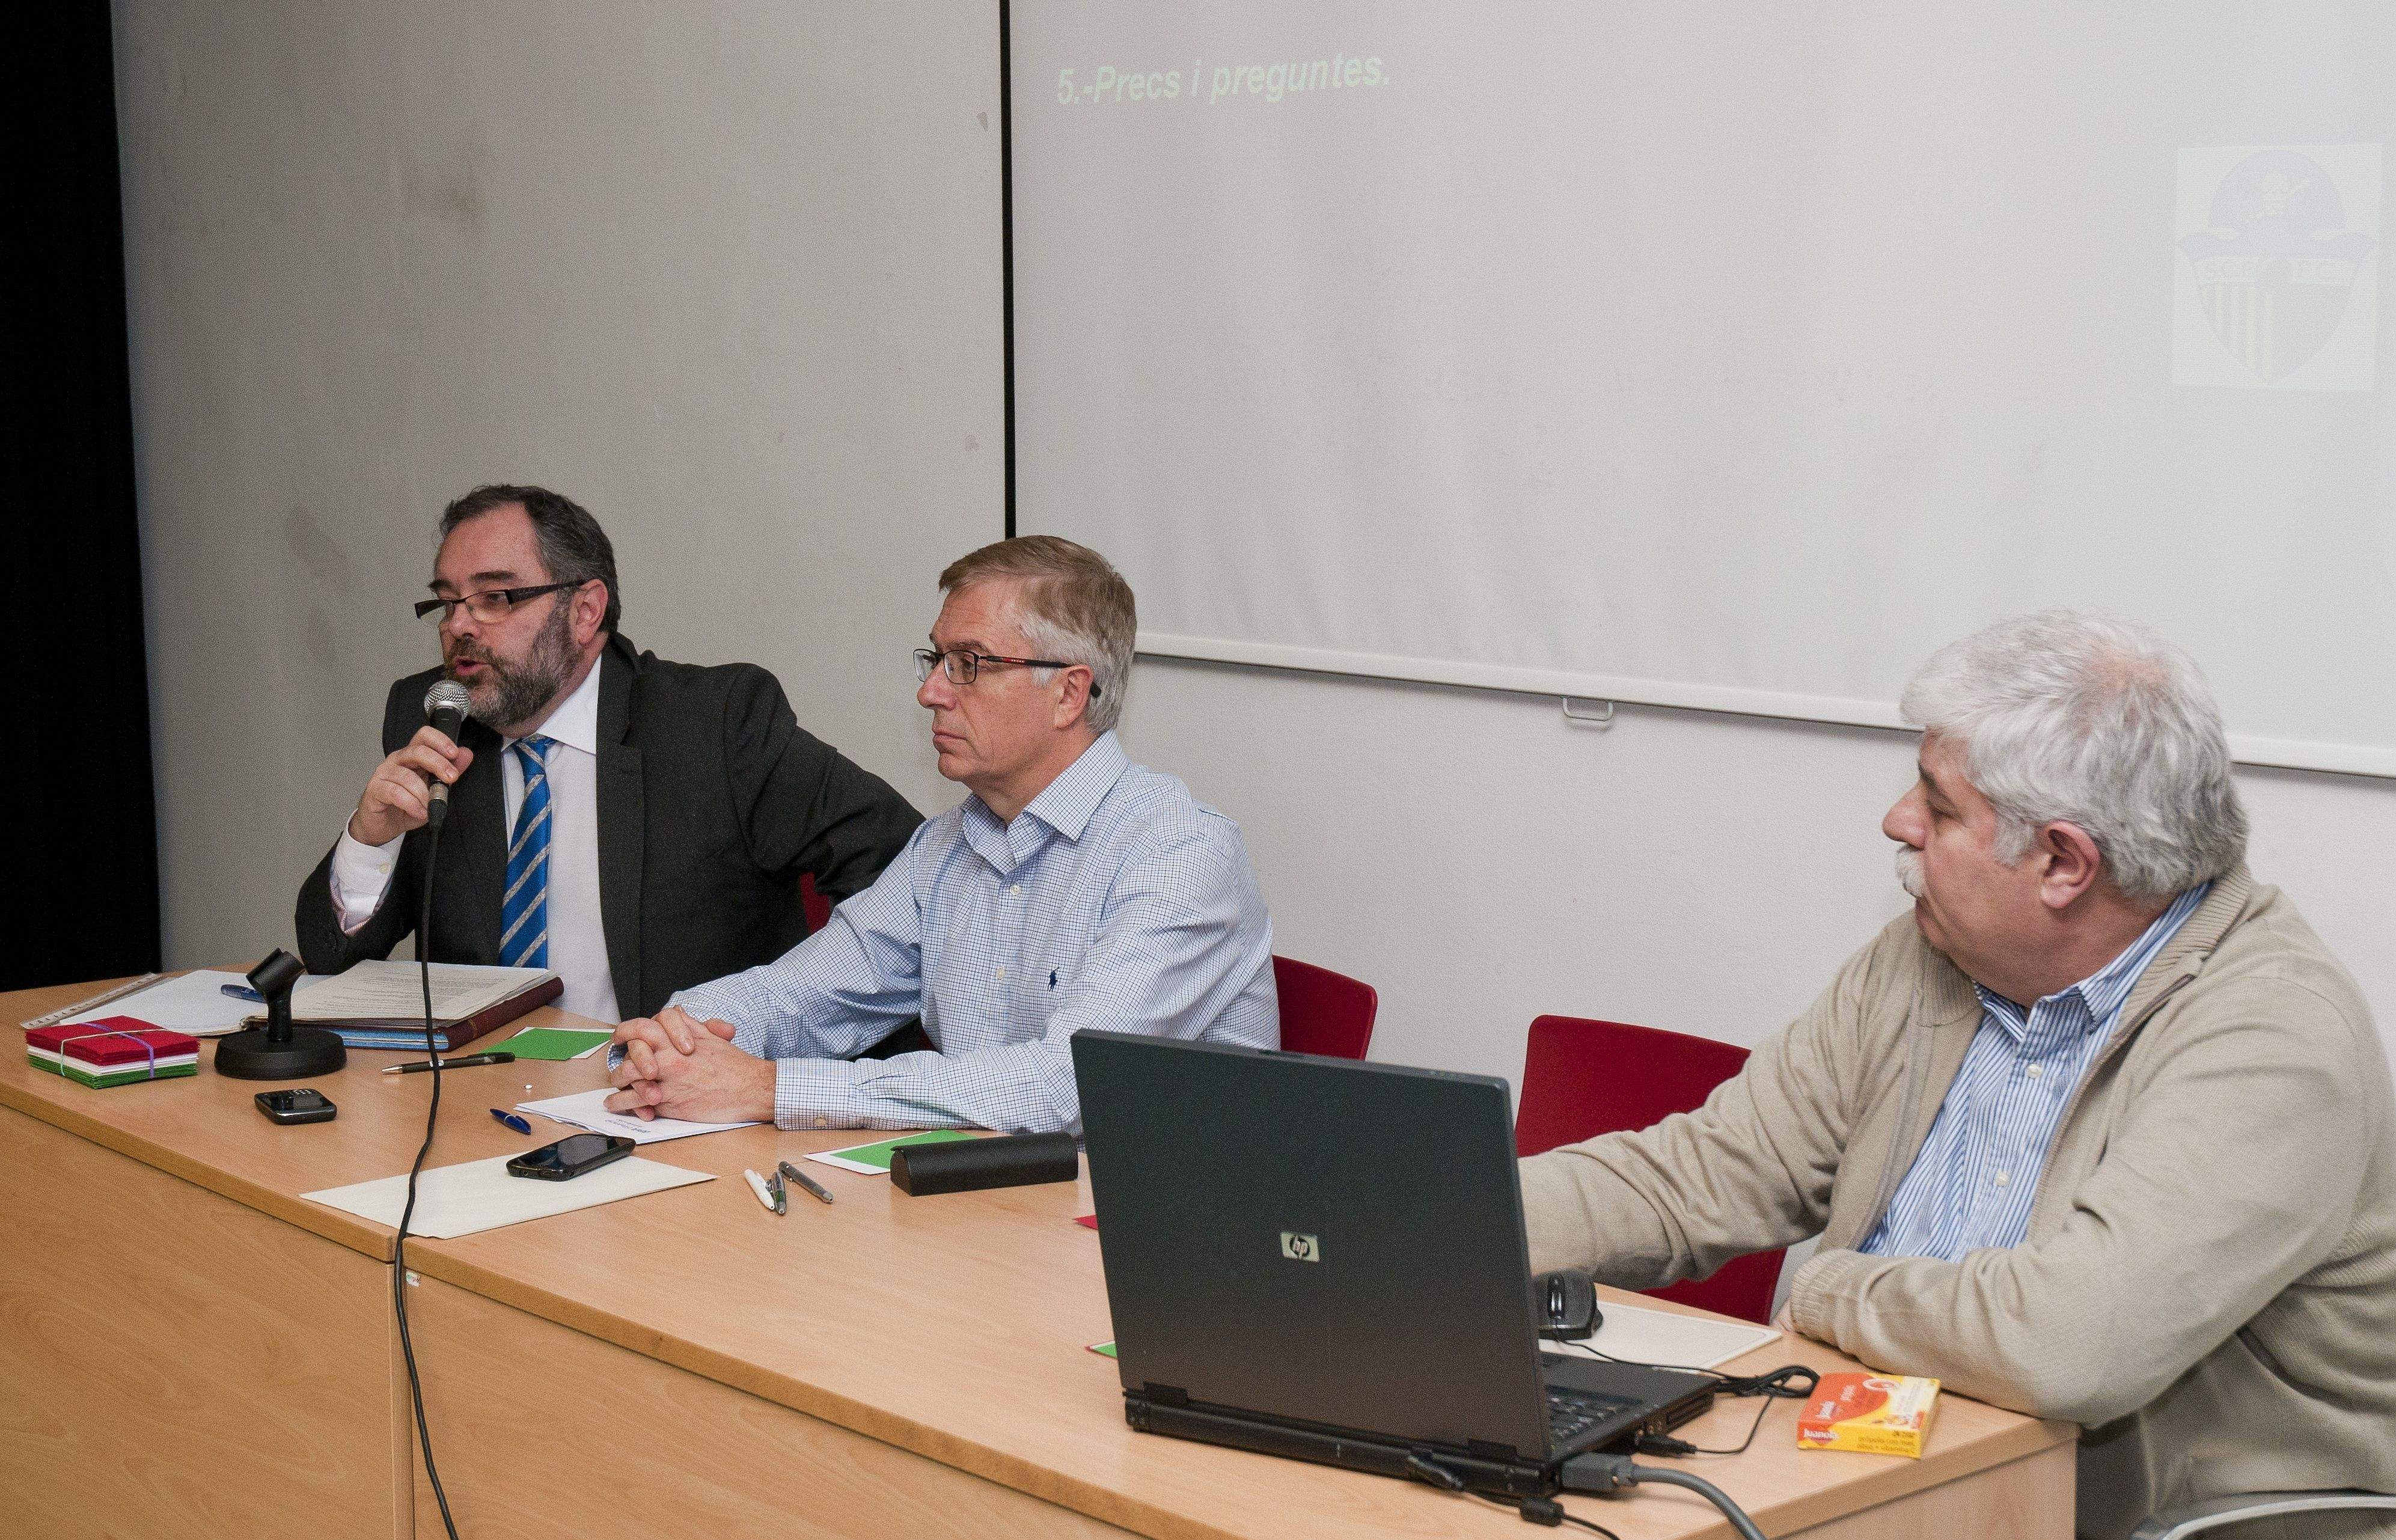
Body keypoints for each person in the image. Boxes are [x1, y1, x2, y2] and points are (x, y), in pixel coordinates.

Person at [1519, 612, 2396, 1540]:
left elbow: (2066, 1344)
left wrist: (1828, 1289)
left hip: (2122, 1518)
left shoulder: (2274, 1035)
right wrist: (1428, 1215)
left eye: (1938, 807)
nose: (1898, 820)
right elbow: (1699, 1174)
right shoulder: (1927, 956)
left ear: (2061, 861)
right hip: (1876, 1470)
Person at [602, 536, 1278, 1134]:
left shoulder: (1180, 856)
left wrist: (767, 1089)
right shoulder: (948, 845)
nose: (930, 691)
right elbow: (802, 994)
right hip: (995, 1210)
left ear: (1069, 695)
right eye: (936, 658)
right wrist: (674, 1038)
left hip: (1155, 1237)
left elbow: (1065, 1089)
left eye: (968, 664)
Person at [295, 484, 921, 1022]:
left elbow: (902, 870)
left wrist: (780, 1019)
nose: (460, 625)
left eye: (495, 597)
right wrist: (371, 840)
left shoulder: (713, 723)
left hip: (672, 1105)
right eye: (448, 602)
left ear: (585, 610)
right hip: (480, 1099)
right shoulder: (435, 719)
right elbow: (330, 959)